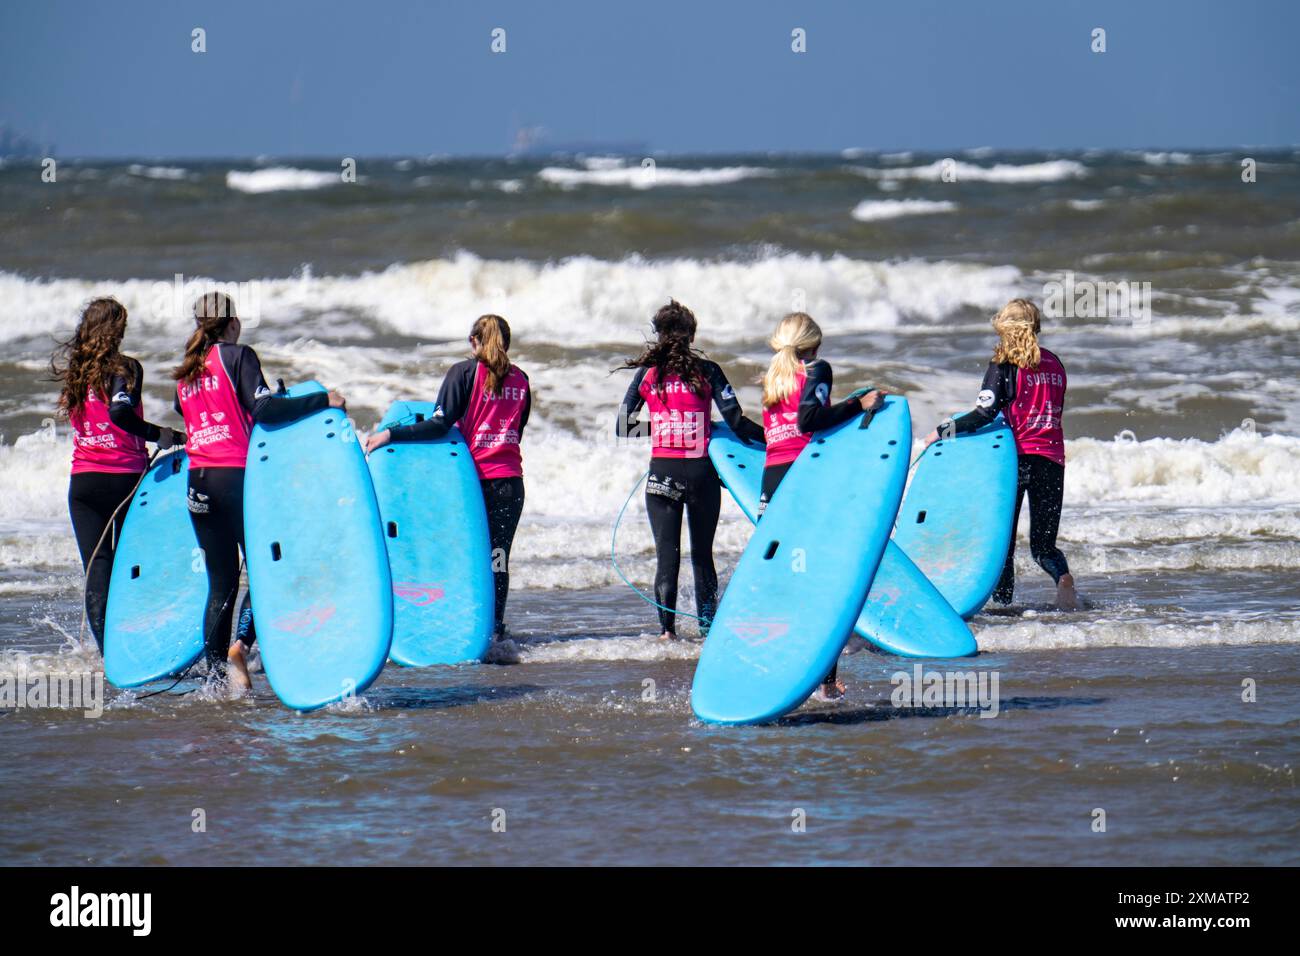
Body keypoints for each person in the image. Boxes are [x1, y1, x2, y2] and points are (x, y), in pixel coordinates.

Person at [173, 292, 345, 690]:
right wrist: (323, 400)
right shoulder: (238, 356)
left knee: (221, 583)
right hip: (236, 479)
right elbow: (264, 409)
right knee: (265, 572)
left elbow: (186, 410)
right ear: (232, 322)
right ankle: (241, 645)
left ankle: (216, 683)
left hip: (198, 483)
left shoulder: (188, 368)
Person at [365, 314, 530, 642]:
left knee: (463, 555)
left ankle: (462, 627)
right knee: (498, 556)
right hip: (510, 482)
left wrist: (391, 435)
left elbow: (440, 424)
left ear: (473, 341)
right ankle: (494, 630)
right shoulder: (522, 379)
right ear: (507, 343)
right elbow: (518, 429)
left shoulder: (465, 372)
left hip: (471, 484)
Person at [614, 299, 765, 641]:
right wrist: (771, 440)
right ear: (691, 334)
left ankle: (667, 634)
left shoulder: (648, 374)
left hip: (662, 475)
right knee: (702, 556)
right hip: (702, 475)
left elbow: (623, 426)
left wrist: (664, 427)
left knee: (667, 557)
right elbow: (738, 423)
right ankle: (708, 629)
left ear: (659, 334)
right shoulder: (708, 370)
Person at [758, 312, 884, 700]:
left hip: (772, 481)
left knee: (790, 581)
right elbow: (811, 421)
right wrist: (858, 404)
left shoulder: (772, 377)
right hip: (804, 480)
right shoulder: (817, 368)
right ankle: (827, 675)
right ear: (813, 344)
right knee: (823, 577)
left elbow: (779, 430)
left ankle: (790, 668)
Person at [922, 297, 1078, 609]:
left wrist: (941, 432)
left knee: (1003, 543)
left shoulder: (1004, 366)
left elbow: (983, 413)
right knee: (1043, 548)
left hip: (1015, 461)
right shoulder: (1055, 364)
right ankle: (1062, 577)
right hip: (1052, 460)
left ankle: (1003, 607)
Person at [52, 297, 182, 653]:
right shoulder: (126, 369)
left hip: (84, 485)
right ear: (117, 330)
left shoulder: (76, 372)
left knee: (99, 572)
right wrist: (162, 435)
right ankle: (144, 646)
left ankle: (112, 656)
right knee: (137, 567)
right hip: (124, 481)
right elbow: (121, 414)